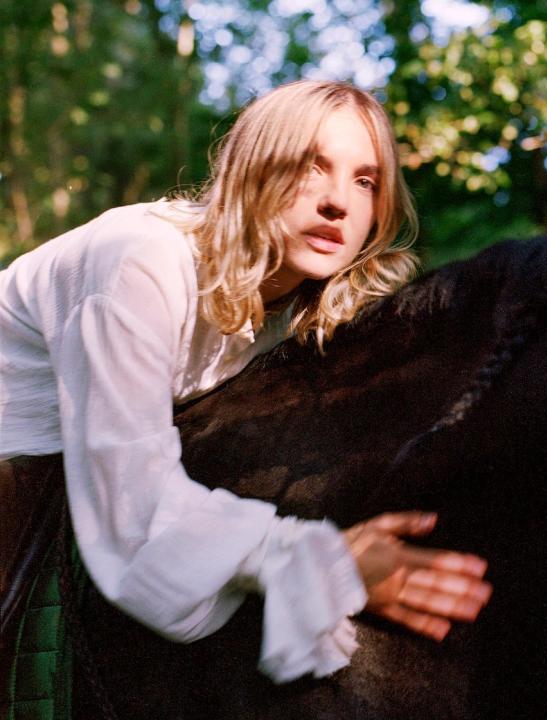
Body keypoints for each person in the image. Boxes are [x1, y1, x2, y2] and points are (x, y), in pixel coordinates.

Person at [0, 80, 492, 686]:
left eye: (365, 180)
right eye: (311, 168)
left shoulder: (298, 310)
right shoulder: (139, 260)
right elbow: (133, 504)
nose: (339, 201)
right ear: (251, 171)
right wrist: (325, 561)